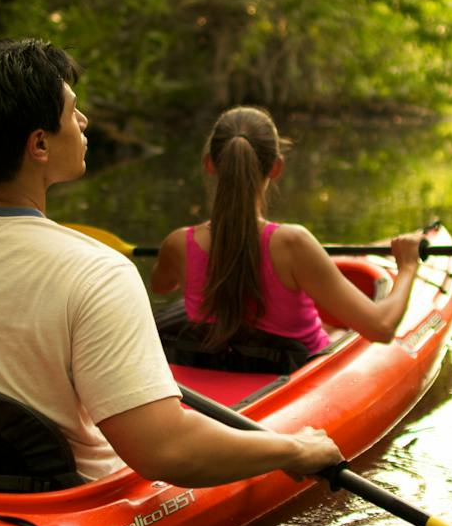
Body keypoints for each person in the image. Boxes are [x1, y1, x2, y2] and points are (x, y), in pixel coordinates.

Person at [0, 39, 345, 486]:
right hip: (62, 498)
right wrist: (295, 447)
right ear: (39, 144)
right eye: (72, 112)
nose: (83, 123)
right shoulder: (98, 272)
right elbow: (167, 451)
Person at [149, 106, 424, 367]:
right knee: (337, 333)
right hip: (287, 374)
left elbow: (162, 285)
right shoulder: (293, 244)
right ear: (276, 168)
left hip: (214, 367)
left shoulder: (178, 243)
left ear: (210, 164)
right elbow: (381, 328)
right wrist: (408, 267)